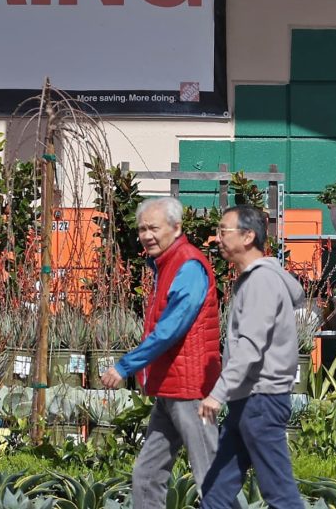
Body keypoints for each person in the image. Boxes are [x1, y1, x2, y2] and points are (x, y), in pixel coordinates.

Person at [100, 196, 222, 509]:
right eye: (142, 229)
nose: (146, 235)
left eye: (153, 228)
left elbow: (171, 328)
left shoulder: (189, 265)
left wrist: (126, 366)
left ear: (177, 227)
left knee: (210, 476)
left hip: (191, 391)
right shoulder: (165, 264)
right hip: (170, 388)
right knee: (147, 474)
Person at [198, 205, 304, 509]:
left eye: (223, 231)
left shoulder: (261, 282)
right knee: (216, 492)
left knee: (280, 496)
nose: (217, 238)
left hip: (262, 401)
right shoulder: (255, 279)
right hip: (249, 401)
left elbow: (250, 346)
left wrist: (218, 394)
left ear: (248, 236)